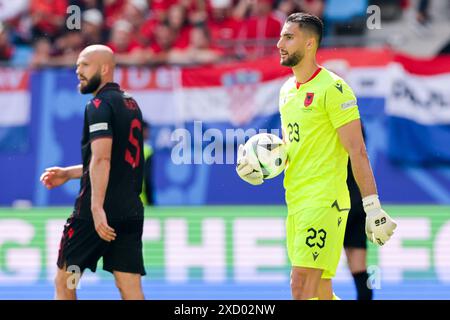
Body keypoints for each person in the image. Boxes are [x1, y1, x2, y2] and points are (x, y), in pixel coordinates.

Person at [236, 13, 397, 300]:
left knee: (300, 287)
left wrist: (373, 208)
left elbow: (357, 151)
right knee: (321, 291)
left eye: (288, 37)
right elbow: (293, 147)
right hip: (296, 200)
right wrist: (261, 166)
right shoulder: (286, 91)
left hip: (324, 201)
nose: (278, 43)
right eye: (281, 36)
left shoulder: (334, 89)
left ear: (310, 44)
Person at [40, 44, 146, 300]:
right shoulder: (130, 103)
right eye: (77, 65)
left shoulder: (98, 105)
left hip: (94, 216)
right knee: (128, 286)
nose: (78, 71)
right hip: (129, 211)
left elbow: (102, 159)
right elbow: (118, 162)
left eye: (85, 65)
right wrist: (67, 173)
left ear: (105, 68)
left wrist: (97, 208)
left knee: (66, 281)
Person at [344, 125, 373, 300]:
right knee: (359, 267)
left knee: (318, 271)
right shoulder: (355, 121)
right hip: (357, 199)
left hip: (332, 202)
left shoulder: (326, 119)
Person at [140, 120, 154, 206]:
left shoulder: (125, 149)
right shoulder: (147, 150)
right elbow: (148, 178)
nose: (148, 133)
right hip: (142, 198)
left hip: (127, 198)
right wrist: (151, 201)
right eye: (147, 130)